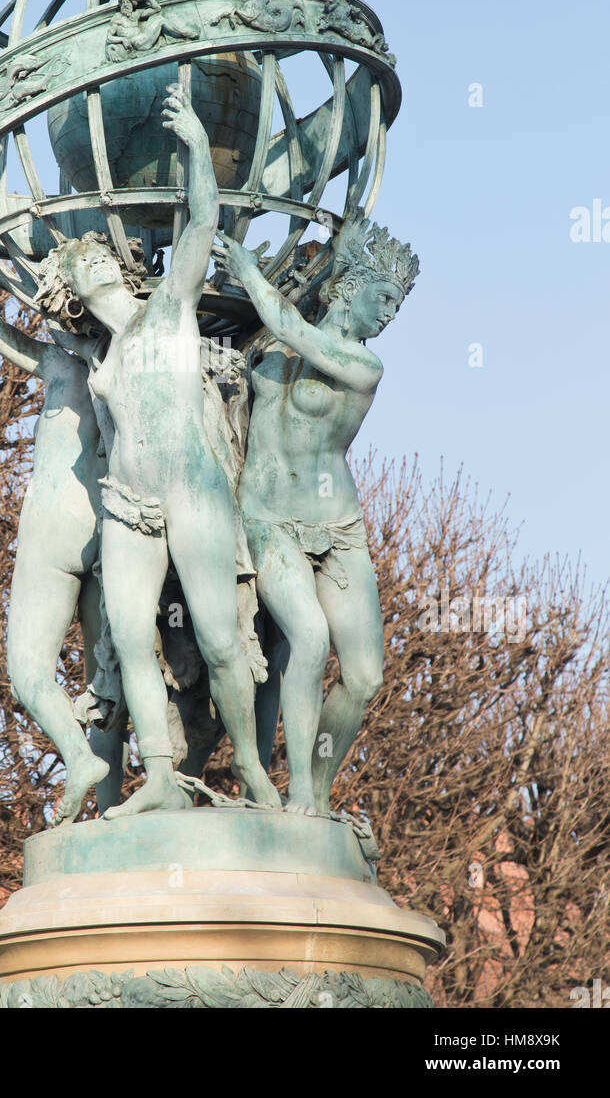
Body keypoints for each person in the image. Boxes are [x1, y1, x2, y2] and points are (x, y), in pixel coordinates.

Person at [32, 86, 280, 817]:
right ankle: (163, 778)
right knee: (132, 643)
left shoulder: (169, 308)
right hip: (130, 508)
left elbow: (202, 219)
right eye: (83, 269)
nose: (92, 269)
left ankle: (258, 778)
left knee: (222, 639)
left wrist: (201, 145)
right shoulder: (97, 356)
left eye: (91, 263)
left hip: (193, 495)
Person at [212, 213, 419, 814]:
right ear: (349, 287)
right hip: (269, 519)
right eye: (383, 299)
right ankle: (299, 789)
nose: (388, 318)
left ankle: (320, 789)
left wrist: (251, 273)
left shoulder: (362, 365)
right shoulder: (265, 339)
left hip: (337, 528)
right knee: (307, 636)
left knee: (365, 677)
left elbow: (288, 325)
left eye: (396, 308)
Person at [0, 223, 126, 824]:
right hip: (113, 525)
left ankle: (78, 758)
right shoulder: (138, 355)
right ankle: (114, 810)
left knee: (29, 671)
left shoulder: (62, 366)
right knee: (105, 679)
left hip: (55, 520)